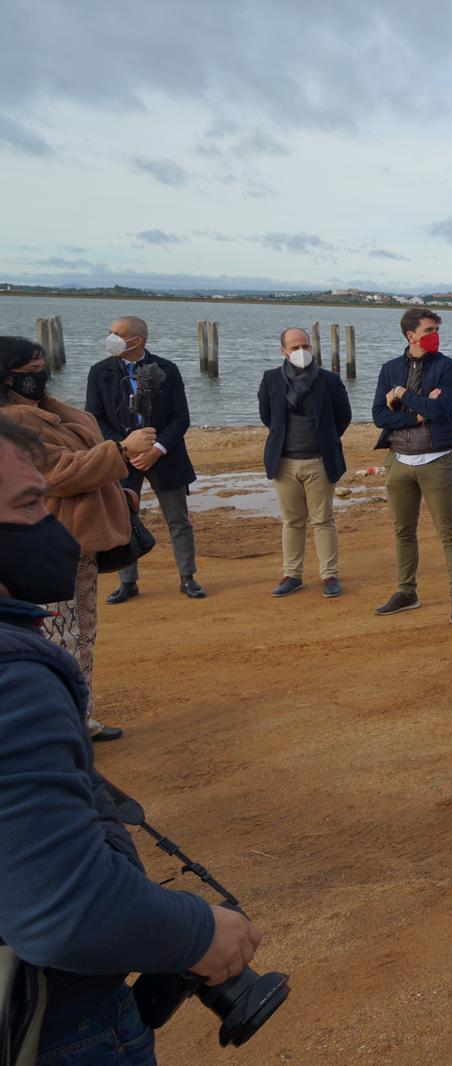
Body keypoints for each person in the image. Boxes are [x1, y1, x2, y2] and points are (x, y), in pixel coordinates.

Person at [0, 415, 264, 1066]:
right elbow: (67, 906)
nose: (50, 521)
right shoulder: (15, 680)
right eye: (31, 504)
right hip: (60, 1024)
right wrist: (201, 934)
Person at [0, 337, 155, 742]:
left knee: (82, 634)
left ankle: (78, 717)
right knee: (61, 636)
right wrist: (121, 451)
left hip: (79, 542)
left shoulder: (45, 412)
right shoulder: (13, 425)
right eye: (31, 372)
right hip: (52, 544)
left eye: (41, 368)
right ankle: (63, 726)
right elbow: (58, 473)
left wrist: (117, 494)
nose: (40, 377)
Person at [84, 314, 203, 602]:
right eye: (109, 331)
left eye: (116, 333)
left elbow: (180, 418)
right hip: (122, 457)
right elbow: (94, 418)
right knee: (123, 518)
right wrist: (123, 446)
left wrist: (157, 449)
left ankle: (187, 578)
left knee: (178, 520)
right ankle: (128, 582)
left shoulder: (167, 369)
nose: (109, 337)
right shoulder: (100, 372)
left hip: (166, 456)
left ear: (137, 340)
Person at [371, 308, 452, 623]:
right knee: (403, 531)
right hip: (398, 460)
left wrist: (401, 395)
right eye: (428, 330)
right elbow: (379, 416)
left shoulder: (448, 368)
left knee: (448, 532)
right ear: (410, 335)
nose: (434, 335)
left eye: (436, 329)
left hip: (436, 460)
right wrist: (416, 411)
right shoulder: (389, 368)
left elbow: (441, 410)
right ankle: (407, 592)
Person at [258, 327, 352, 598]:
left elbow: (342, 417)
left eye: (306, 346)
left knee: (323, 520)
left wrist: (326, 442)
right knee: (292, 521)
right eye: (295, 347)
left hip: (320, 462)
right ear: (283, 351)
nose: (301, 352)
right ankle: (292, 574)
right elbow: (267, 416)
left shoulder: (329, 380)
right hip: (284, 463)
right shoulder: (271, 379)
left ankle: (329, 575)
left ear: (312, 348)